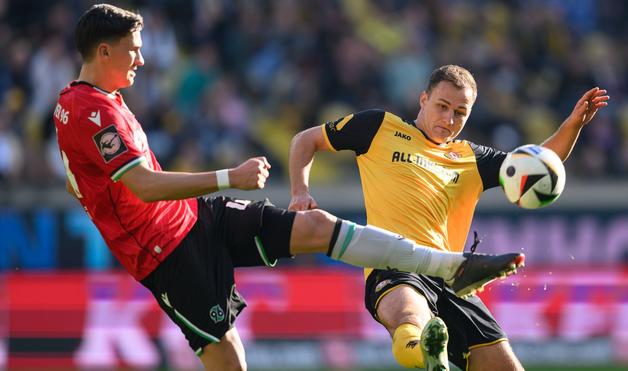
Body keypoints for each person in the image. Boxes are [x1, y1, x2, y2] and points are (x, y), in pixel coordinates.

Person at [54, 5, 525, 371]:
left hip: (197, 217)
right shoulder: (89, 111)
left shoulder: (102, 100)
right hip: (168, 254)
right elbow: (143, 186)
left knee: (316, 225)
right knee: (230, 361)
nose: (142, 56)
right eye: (133, 48)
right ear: (104, 51)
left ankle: (453, 266)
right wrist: (229, 177)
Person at [288, 65, 609, 371]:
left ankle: (431, 351)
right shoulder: (378, 127)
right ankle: (429, 355)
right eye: (442, 106)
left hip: (453, 278)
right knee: (409, 319)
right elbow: (306, 140)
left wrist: (573, 125)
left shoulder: (471, 157)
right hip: (393, 263)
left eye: (460, 113)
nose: (449, 119)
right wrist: (300, 191)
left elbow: (537, 166)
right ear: (423, 99)